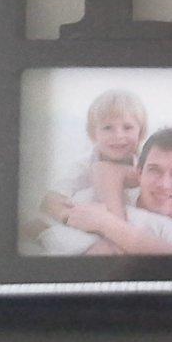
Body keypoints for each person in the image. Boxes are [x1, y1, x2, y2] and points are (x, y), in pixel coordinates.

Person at [42, 128, 172, 256]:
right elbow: (103, 169)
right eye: (154, 170)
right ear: (139, 173)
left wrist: (108, 225)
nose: (164, 184)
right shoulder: (112, 194)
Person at [23, 89, 148, 249]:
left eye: (128, 127)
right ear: (93, 133)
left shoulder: (144, 164)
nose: (118, 135)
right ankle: (42, 231)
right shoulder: (85, 164)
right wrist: (71, 217)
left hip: (127, 224)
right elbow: (50, 200)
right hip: (88, 223)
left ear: (141, 132)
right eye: (108, 128)